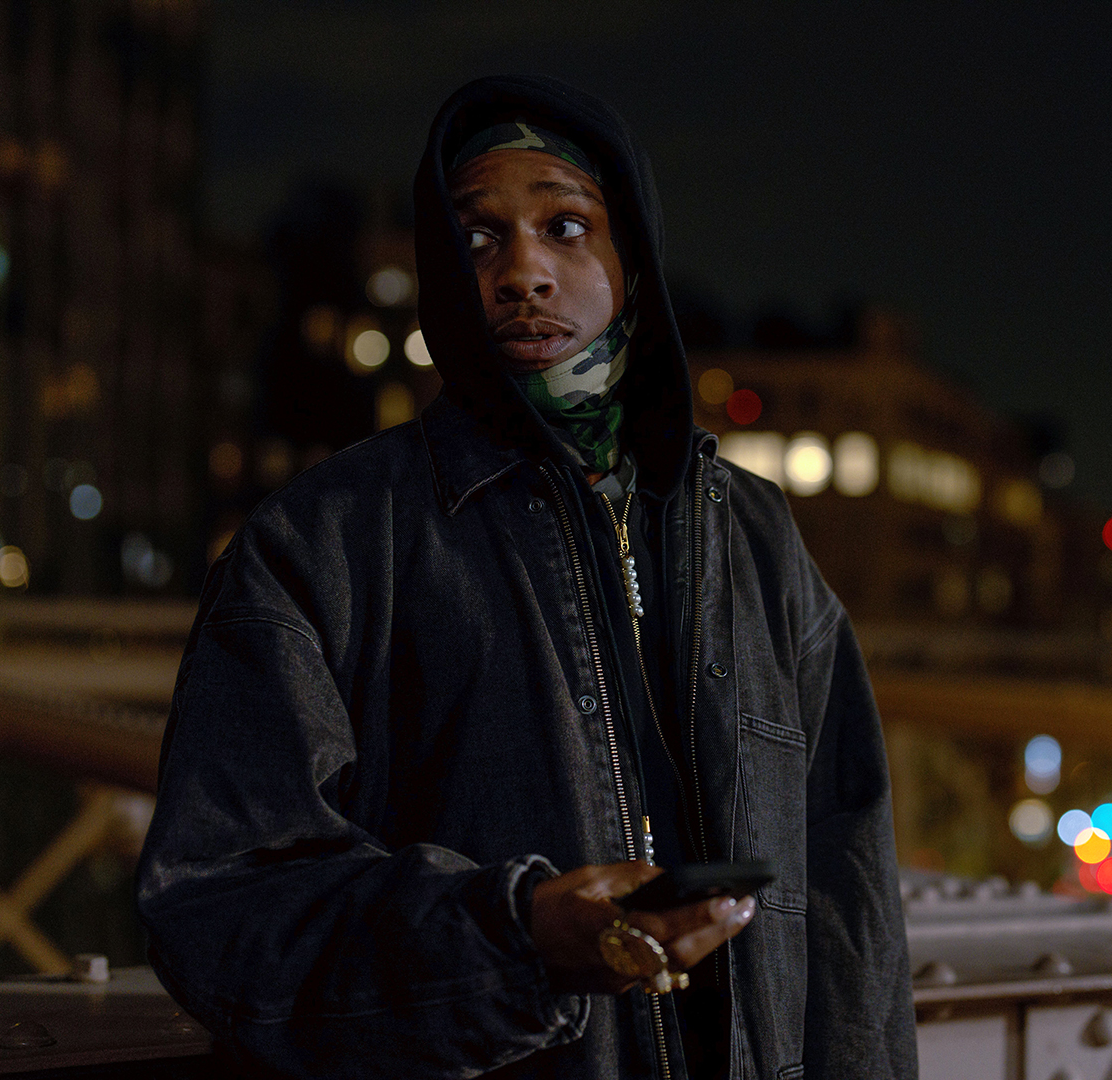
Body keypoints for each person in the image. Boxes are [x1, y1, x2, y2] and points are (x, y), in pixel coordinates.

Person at [137, 74, 917, 1080]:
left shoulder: (754, 538)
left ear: (631, 257)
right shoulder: (327, 539)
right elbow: (223, 902)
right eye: (476, 238)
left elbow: (849, 904)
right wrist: (515, 941)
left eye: (566, 226)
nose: (523, 273)